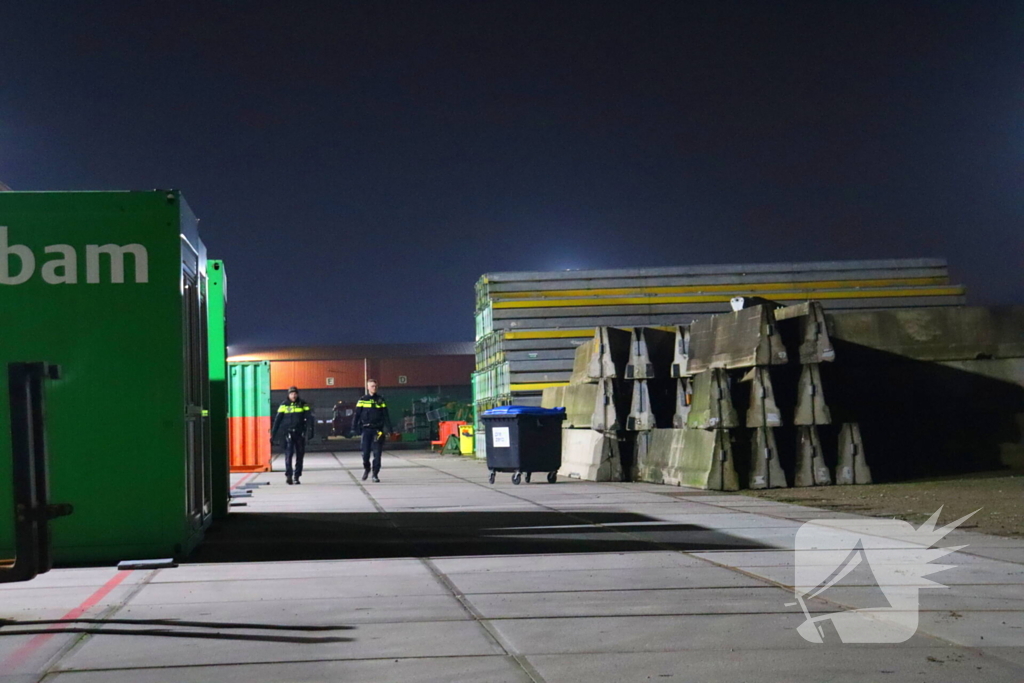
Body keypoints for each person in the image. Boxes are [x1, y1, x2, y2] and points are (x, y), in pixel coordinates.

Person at [271, 386, 314, 485]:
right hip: (288, 433)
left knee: (300, 455)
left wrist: (310, 432)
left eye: (295, 394)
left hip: (299, 433)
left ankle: (297, 476)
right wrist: (273, 434)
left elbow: (309, 419)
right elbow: (277, 420)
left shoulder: (303, 404)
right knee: (288, 455)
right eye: (291, 394)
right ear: (288, 395)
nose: (293, 396)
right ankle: (289, 476)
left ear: (297, 394)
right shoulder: (284, 405)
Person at [351, 379, 392, 482]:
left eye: (375, 386)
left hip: (378, 430)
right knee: (365, 454)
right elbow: (357, 415)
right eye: (372, 386)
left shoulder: (380, 400)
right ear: (368, 387)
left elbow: (386, 415)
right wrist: (353, 428)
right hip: (366, 430)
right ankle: (367, 468)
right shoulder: (362, 400)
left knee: (377, 454)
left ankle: (375, 474)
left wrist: (390, 429)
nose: (374, 388)